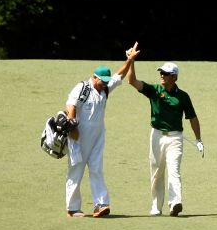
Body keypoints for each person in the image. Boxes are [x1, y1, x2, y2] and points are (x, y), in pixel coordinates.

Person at [64, 42, 140, 218]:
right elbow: (71, 105)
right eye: (101, 81)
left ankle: (101, 204)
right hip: (78, 136)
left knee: (97, 169)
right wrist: (73, 127)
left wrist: (129, 60)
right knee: (76, 170)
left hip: (98, 136)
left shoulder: (104, 88)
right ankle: (73, 208)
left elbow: (119, 75)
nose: (104, 84)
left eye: (106, 82)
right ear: (94, 77)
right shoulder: (82, 88)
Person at [126, 43, 203, 216]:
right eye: (161, 72)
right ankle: (156, 206)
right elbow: (132, 81)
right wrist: (131, 61)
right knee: (156, 172)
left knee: (174, 169)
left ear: (174, 77)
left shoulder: (183, 96)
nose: (162, 75)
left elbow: (192, 118)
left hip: (175, 138)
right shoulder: (154, 90)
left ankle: (175, 203)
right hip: (156, 136)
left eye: (166, 74)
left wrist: (198, 139)